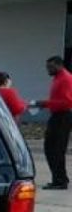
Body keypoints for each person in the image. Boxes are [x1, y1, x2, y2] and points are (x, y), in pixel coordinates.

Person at [30, 55, 72, 190]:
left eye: (51, 67)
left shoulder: (65, 78)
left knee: (55, 148)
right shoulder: (58, 78)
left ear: (59, 65)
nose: (48, 69)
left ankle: (60, 181)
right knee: (51, 147)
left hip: (63, 116)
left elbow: (67, 102)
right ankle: (59, 178)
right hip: (57, 115)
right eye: (47, 67)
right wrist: (46, 104)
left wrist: (44, 103)